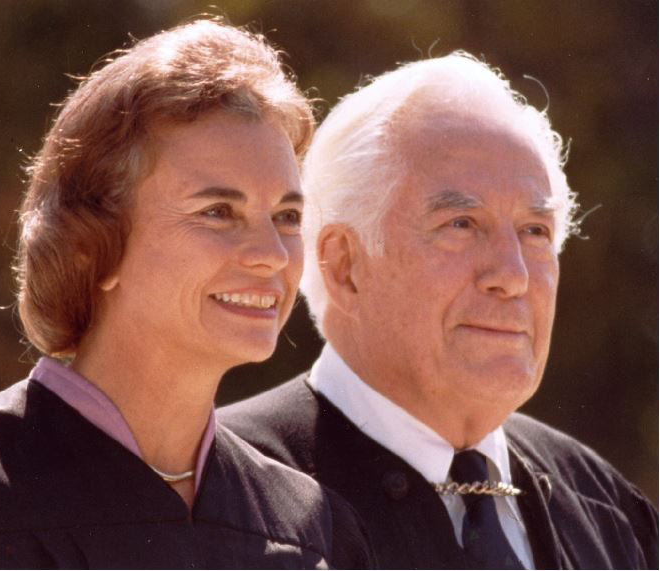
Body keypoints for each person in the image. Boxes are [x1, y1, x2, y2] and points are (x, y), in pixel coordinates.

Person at [0, 19, 374, 568]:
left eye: (287, 216)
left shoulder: (313, 529)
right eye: (218, 212)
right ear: (92, 247)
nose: (273, 254)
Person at [221, 52, 659, 569]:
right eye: (461, 224)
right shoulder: (223, 496)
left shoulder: (605, 509)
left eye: (535, 231)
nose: (513, 275)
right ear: (345, 266)